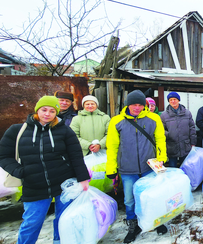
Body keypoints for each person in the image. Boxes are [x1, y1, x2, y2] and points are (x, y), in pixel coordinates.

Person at [0, 96, 90, 244]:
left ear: (56, 113)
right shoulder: (17, 130)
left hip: (64, 183)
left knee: (63, 220)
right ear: (37, 110)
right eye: (44, 110)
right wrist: (19, 171)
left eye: (52, 111)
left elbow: (76, 156)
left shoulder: (65, 131)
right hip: (34, 185)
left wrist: (83, 179)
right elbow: (3, 156)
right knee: (32, 223)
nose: (47, 114)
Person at [105, 90, 168, 243]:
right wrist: (111, 168)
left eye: (140, 105)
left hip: (149, 167)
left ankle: (156, 220)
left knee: (152, 196)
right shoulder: (116, 121)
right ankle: (133, 225)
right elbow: (112, 146)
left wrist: (161, 159)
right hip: (127, 168)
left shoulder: (153, 118)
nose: (137, 108)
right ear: (128, 104)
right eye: (134, 104)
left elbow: (160, 139)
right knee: (129, 199)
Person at [160, 92, 196, 168]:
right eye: (170, 100)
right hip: (172, 146)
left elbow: (192, 128)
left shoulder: (187, 113)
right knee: (172, 168)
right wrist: (169, 134)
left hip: (185, 145)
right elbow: (161, 130)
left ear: (178, 100)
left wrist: (193, 143)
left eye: (174, 99)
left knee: (185, 167)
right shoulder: (164, 115)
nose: (173, 101)